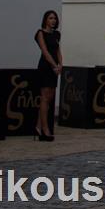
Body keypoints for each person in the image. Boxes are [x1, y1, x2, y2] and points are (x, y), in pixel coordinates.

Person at [33, 10, 62, 141]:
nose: (53, 20)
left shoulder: (56, 34)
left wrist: (60, 64)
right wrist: (54, 65)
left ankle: (38, 126)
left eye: (55, 18)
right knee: (44, 97)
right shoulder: (40, 33)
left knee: (49, 98)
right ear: (45, 20)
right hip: (46, 67)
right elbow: (45, 51)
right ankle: (45, 129)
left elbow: (58, 50)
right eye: (51, 18)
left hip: (54, 68)